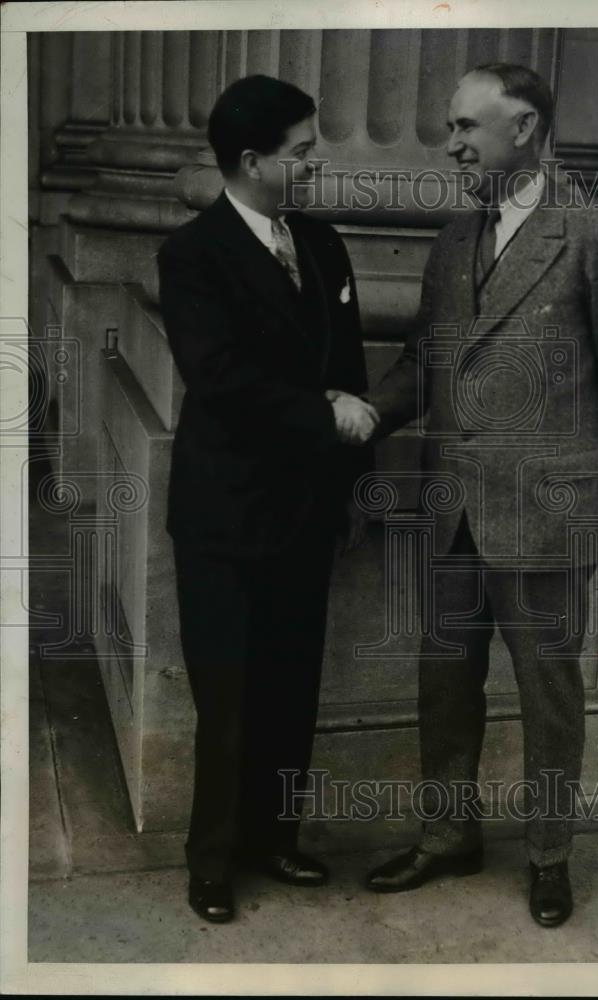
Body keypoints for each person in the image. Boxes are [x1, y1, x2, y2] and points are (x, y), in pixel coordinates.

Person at [360, 63, 598, 926]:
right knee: (444, 681)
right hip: (452, 508)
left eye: (467, 126)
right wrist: (367, 412)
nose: (452, 144)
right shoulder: (456, 237)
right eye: (452, 127)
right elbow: (424, 360)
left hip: (547, 512)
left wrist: (582, 476)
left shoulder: (592, 234)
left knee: (548, 692)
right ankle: (448, 835)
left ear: (524, 127)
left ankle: (548, 856)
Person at [157, 74, 377, 923]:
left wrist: (353, 488)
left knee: (292, 689)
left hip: (307, 508)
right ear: (252, 161)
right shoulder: (194, 254)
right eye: (303, 151)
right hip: (224, 515)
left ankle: (273, 840)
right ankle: (211, 863)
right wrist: (324, 413)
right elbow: (218, 378)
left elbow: (349, 366)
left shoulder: (320, 243)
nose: (315, 164)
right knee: (227, 700)